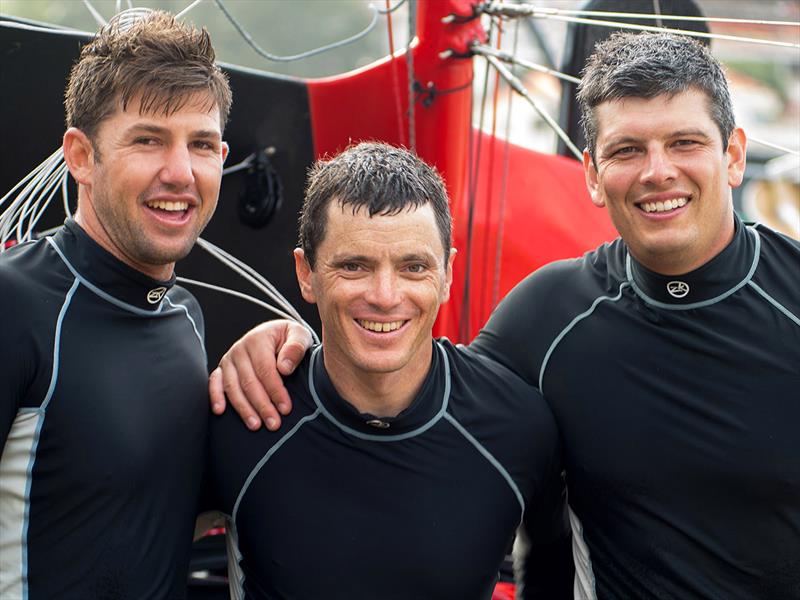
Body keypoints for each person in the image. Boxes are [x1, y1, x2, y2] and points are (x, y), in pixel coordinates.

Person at [211, 32, 800, 599]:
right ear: (593, 174)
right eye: (627, 150)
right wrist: (285, 341)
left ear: (734, 155)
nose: (657, 171)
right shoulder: (549, 314)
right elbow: (413, 387)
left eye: (685, 143)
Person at [206, 142, 572, 599]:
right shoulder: (242, 418)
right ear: (306, 273)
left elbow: (555, 564)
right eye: (354, 266)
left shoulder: (518, 428)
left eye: (413, 267)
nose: (384, 295)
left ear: (447, 274)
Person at [0, 11, 230, 597]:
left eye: (200, 144)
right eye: (149, 140)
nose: (180, 172)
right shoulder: (16, 303)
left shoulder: (185, 317)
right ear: (80, 156)